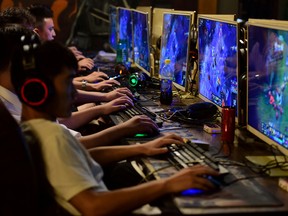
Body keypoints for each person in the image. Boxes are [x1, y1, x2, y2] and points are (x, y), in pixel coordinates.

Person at [11, 39, 219, 216]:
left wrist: (141, 148)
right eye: (67, 83)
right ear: (38, 90)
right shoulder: (53, 136)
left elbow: (79, 155)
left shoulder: (33, 129)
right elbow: (93, 206)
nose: (74, 94)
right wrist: (167, 184)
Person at [0, 23, 159, 150]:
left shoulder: (18, 94)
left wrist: (100, 108)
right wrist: (123, 130)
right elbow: (71, 145)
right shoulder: (6, 110)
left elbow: (61, 129)